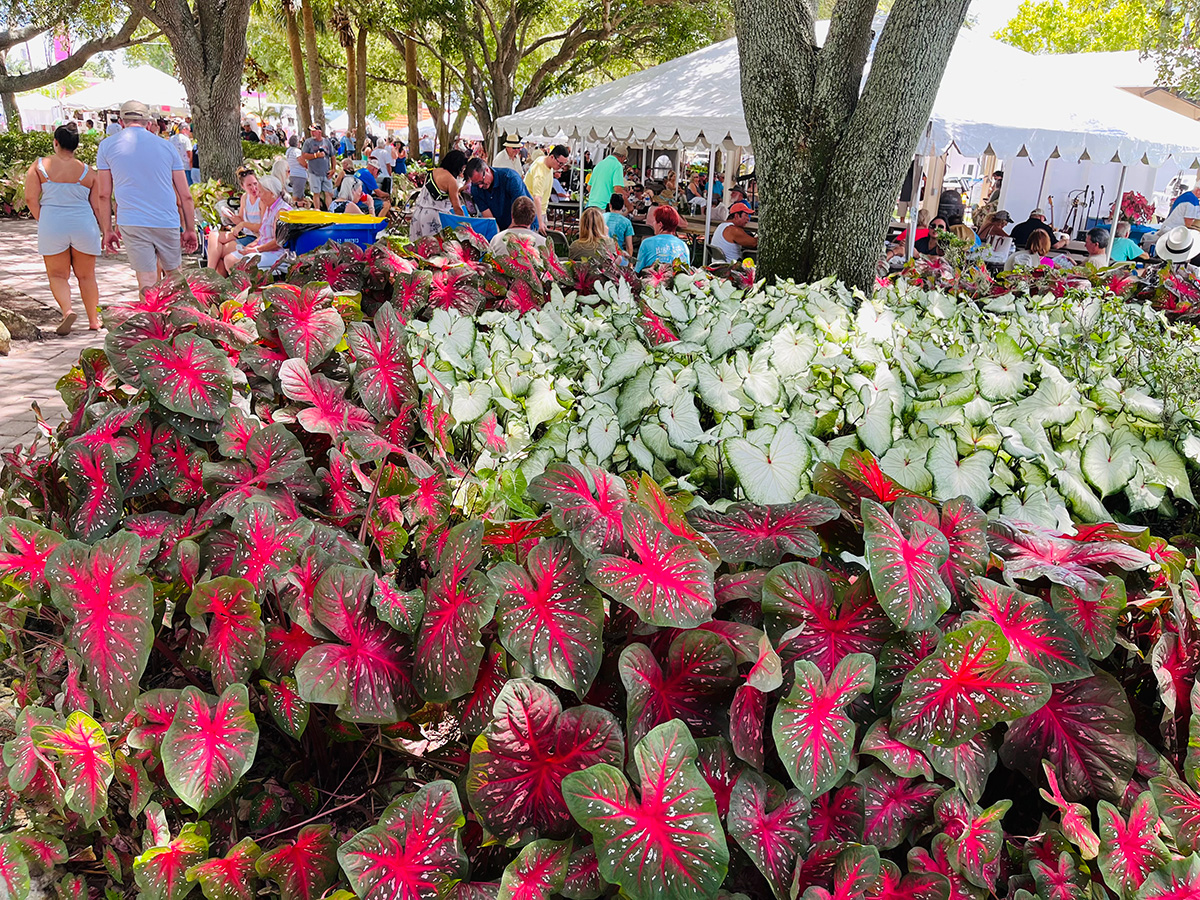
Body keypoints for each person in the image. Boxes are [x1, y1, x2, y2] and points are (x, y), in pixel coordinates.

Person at [95, 100, 197, 294]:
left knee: (147, 279)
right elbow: (186, 195)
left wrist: (107, 230)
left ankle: (152, 322)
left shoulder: (107, 146)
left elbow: (104, 194)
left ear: (122, 121)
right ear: (148, 123)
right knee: (175, 277)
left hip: (132, 220)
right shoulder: (167, 147)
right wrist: (190, 228)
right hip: (166, 219)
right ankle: (178, 321)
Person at [22, 124, 105, 333]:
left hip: (53, 221)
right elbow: (97, 205)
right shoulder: (88, 171)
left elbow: (31, 198)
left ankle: (67, 311)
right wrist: (106, 229)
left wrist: (44, 219)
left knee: (58, 275)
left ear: (55, 142)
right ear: (76, 145)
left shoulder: (40, 166)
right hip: (83, 223)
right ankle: (94, 320)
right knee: (86, 276)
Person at [222, 175, 291, 273]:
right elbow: (264, 234)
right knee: (229, 259)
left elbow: (279, 242)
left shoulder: (281, 211)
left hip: (278, 254)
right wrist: (252, 245)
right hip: (264, 249)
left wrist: (257, 249)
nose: (258, 194)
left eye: (261, 192)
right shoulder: (269, 208)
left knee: (238, 263)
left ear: (271, 193)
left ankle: (246, 287)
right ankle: (240, 286)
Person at [207, 169, 263, 271]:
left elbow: (263, 227)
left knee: (219, 253)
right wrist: (230, 215)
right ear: (243, 187)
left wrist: (243, 224)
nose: (254, 188)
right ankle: (211, 275)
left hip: (256, 238)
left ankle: (209, 274)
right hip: (246, 234)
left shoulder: (261, 199)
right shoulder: (245, 198)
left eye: (255, 184)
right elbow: (240, 220)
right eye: (249, 185)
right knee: (213, 235)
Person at [465, 158, 537, 231]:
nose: (480, 186)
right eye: (476, 183)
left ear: (487, 170)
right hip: (502, 226)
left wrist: (506, 235)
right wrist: (498, 236)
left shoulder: (511, 178)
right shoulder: (475, 188)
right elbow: (490, 219)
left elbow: (521, 213)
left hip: (524, 224)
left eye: (481, 181)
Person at [410, 149, 469, 239]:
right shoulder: (451, 181)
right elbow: (457, 207)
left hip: (418, 214)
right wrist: (466, 224)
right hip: (432, 218)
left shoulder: (433, 171)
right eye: (462, 168)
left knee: (417, 247)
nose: (462, 171)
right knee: (432, 249)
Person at [523, 144, 570, 234]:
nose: (561, 167)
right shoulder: (540, 171)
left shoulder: (545, 162)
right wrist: (540, 222)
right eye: (560, 163)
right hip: (533, 211)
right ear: (552, 157)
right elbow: (537, 198)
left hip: (540, 210)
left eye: (564, 164)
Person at [635, 205, 689, 272]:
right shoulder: (683, 245)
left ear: (660, 224)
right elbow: (687, 271)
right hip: (677, 280)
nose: (653, 224)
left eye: (655, 221)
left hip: (652, 280)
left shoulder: (646, 243)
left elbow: (638, 270)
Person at [301, 123, 336, 211]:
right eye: (311, 131)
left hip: (326, 172)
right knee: (316, 193)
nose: (312, 133)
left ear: (319, 132)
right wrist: (316, 155)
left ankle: (330, 212)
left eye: (314, 131)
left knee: (328, 193)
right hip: (314, 172)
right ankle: (317, 211)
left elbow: (333, 156)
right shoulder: (308, 142)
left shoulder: (327, 142)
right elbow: (304, 155)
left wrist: (333, 169)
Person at [586, 145, 628, 209]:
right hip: (605, 206)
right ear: (622, 157)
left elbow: (589, 188)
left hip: (591, 205)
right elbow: (617, 189)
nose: (623, 162)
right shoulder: (617, 165)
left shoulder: (599, 164)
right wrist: (628, 204)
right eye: (624, 160)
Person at [604, 194, 634, 261]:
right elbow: (629, 246)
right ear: (623, 207)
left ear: (610, 205)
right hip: (618, 256)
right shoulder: (626, 222)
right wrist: (630, 263)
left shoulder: (600, 217)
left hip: (601, 253)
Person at [285, 134, 307, 201]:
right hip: (299, 175)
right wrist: (308, 166)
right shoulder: (297, 151)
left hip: (292, 174)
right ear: (297, 143)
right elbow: (301, 161)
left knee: (299, 195)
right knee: (297, 196)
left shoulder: (288, 151)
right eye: (299, 141)